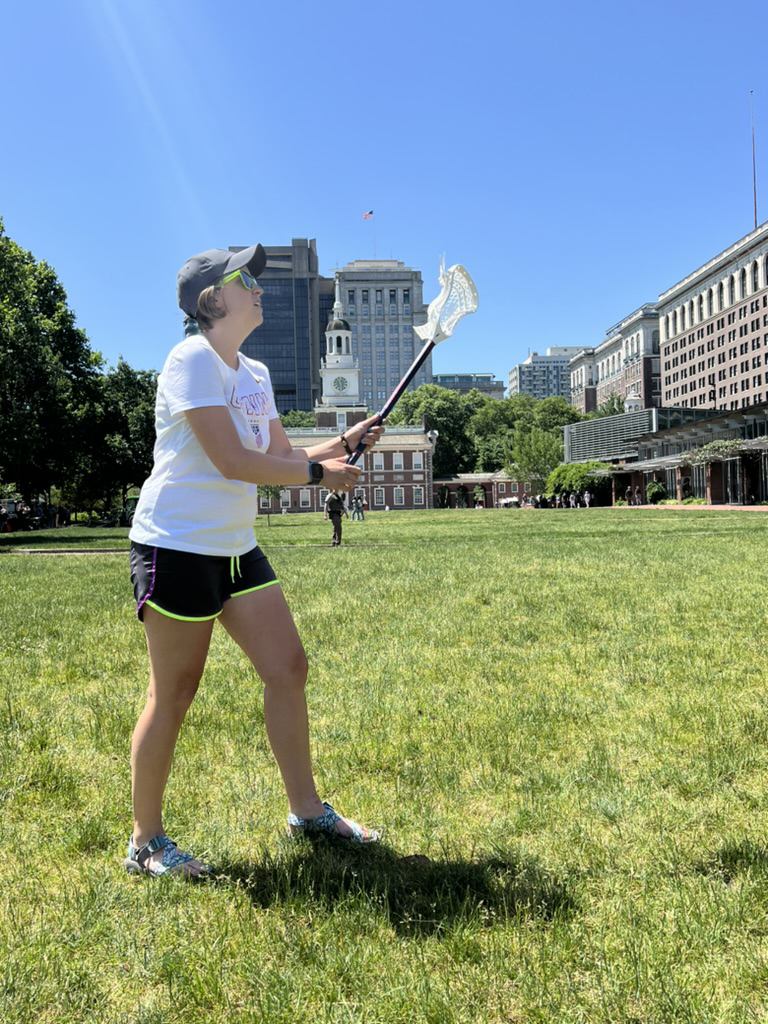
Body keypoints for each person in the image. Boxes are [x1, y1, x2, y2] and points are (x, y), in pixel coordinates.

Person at [125, 245, 384, 878]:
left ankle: (306, 811)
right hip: (177, 544)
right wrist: (322, 472)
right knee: (175, 692)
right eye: (247, 279)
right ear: (212, 299)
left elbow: (275, 457)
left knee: (287, 667)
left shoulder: (256, 375)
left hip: (236, 547)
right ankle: (145, 841)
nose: (260, 287)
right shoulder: (190, 360)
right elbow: (232, 462)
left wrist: (344, 442)